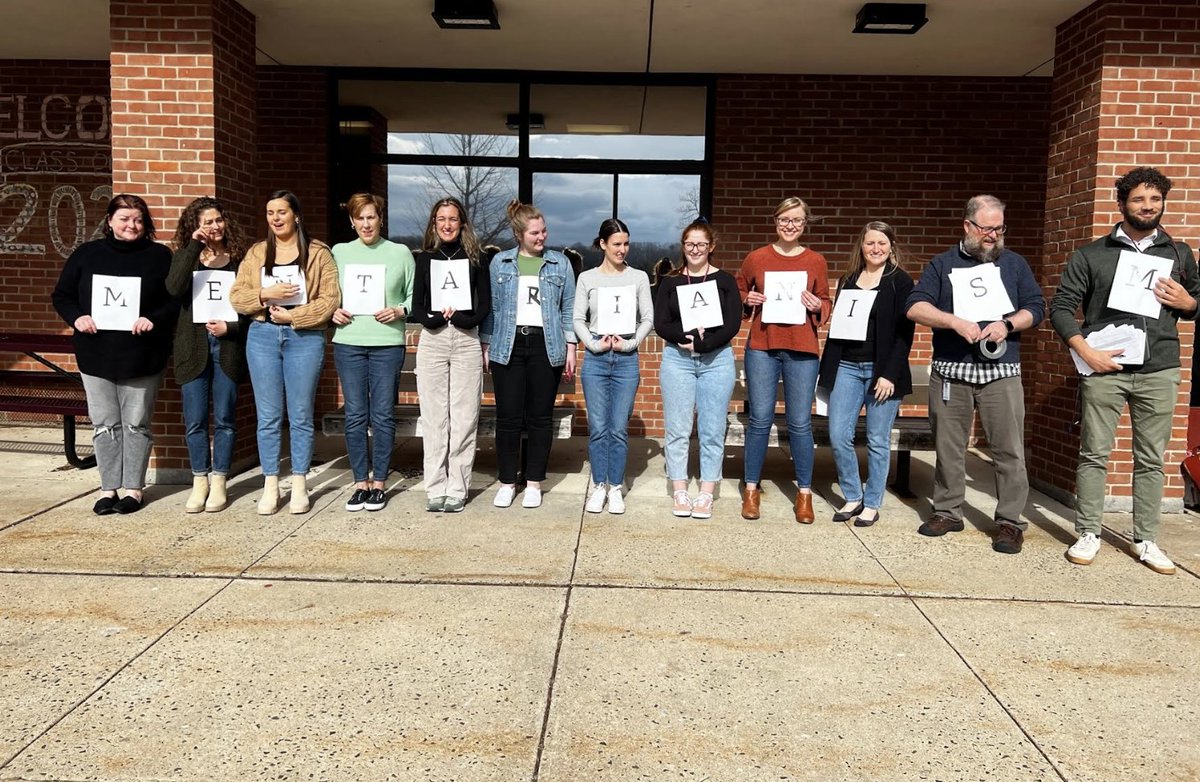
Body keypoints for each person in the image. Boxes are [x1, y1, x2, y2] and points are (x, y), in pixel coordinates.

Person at [1051, 167, 1200, 575]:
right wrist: (1084, 351)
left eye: (1154, 200)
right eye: (1138, 199)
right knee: (1094, 453)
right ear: (1122, 204)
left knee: (1151, 458)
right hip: (1105, 366)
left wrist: (1188, 303)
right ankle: (1089, 532)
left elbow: (1195, 306)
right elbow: (1061, 307)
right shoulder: (1091, 254)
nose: (1148, 207)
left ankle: (1147, 539)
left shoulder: (1179, 254)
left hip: (1159, 369)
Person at [906, 195, 1045, 554]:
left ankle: (1010, 521)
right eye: (986, 228)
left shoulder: (1014, 264)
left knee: (1008, 450)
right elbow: (916, 306)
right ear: (967, 226)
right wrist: (953, 321)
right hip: (952, 372)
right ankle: (948, 511)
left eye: (999, 229)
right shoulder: (942, 264)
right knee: (949, 448)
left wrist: (1008, 324)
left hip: (1002, 372)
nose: (993, 235)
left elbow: (1036, 307)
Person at [51, 194, 176, 515]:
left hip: (143, 355)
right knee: (105, 424)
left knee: (136, 424)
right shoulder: (86, 255)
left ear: (145, 223)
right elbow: (62, 295)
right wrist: (77, 317)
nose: (131, 225)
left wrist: (154, 318)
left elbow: (175, 298)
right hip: (96, 355)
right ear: (109, 221)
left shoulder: (160, 256)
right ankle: (108, 488)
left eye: (137, 219)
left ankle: (133, 490)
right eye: (124, 219)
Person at [230, 190, 339, 515]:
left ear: (296, 216)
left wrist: (295, 316)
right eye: (270, 212)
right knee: (268, 415)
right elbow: (237, 296)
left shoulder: (319, 253)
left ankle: (301, 483)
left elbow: (330, 299)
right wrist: (266, 294)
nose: (275, 218)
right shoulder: (257, 252)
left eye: (281, 212)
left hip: (303, 338)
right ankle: (271, 484)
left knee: (301, 414)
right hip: (262, 337)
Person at [735, 197, 832, 523]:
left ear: (805, 224)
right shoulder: (756, 258)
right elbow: (738, 293)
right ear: (775, 221)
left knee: (800, 423)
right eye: (785, 220)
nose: (790, 226)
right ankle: (751, 489)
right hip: (763, 345)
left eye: (797, 221)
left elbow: (826, 300)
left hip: (802, 349)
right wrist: (747, 300)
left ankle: (804, 493)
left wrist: (817, 307)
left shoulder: (815, 260)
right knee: (760, 420)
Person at [817, 221, 914, 527]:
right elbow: (839, 327)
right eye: (870, 243)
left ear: (891, 247)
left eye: (882, 244)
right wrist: (827, 371)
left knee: (876, 439)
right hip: (846, 365)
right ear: (861, 246)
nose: (876, 249)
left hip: (881, 372)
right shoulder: (848, 279)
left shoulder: (900, 282)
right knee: (838, 434)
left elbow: (904, 335)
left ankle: (872, 502)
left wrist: (889, 374)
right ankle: (852, 495)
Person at [480, 200, 577, 509]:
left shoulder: (560, 263)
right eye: (535, 232)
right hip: (508, 345)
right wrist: (486, 343)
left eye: (544, 230)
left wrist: (571, 346)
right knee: (508, 418)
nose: (542, 237)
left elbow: (568, 309)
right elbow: (493, 310)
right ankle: (508, 481)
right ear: (519, 234)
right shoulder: (501, 263)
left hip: (545, 346)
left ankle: (534, 481)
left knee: (539, 417)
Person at [330, 193, 414, 513]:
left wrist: (398, 310)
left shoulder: (400, 253)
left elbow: (412, 296)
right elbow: (327, 294)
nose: (366, 224)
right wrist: (332, 312)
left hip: (387, 344)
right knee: (355, 415)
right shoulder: (339, 253)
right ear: (351, 221)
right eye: (360, 218)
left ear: (381, 219)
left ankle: (379, 482)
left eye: (371, 217)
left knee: (382, 415)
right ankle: (359, 483)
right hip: (349, 341)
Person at [165, 197, 249, 514]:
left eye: (218, 220)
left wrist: (232, 327)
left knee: (225, 419)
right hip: (193, 348)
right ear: (194, 226)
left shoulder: (239, 261)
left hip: (226, 346)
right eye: (206, 222)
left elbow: (251, 306)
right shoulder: (186, 258)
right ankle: (199, 480)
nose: (214, 227)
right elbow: (173, 289)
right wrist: (192, 248)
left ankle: (220, 480)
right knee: (196, 419)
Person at [654, 219, 741, 519]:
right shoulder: (670, 282)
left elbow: (732, 324)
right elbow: (661, 322)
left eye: (701, 244)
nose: (695, 249)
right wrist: (685, 339)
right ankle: (679, 488)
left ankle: (706, 492)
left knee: (712, 429)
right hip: (677, 360)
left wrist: (704, 345)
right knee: (677, 428)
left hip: (716, 360)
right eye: (689, 244)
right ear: (683, 246)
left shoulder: (726, 281)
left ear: (711, 247)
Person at [411, 197, 491, 513]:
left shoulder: (476, 259)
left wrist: (460, 318)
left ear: (462, 223)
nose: (447, 224)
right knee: (434, 418)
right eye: (441, 219)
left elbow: (484, 305)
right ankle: (435, 487)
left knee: (464, 417)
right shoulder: (425, 259)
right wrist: (434, 319)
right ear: (434, 223)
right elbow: (418, 305)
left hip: (466, 341)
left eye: (453, 219)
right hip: (432, 340)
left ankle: (457, 488)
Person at [573, 218, 654, 514]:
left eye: (626, 243)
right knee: (597, 428)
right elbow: (578, 319)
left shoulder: (639, 277)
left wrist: (630, 344)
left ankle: (615, 486)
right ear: (603, 244)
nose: (622, 249)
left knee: (618, 428)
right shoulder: (587, 278)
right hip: (595, 358)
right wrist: (593, 345)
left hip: (625, 358)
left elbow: (647, 318)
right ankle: (598, 485)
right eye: (616, 244)